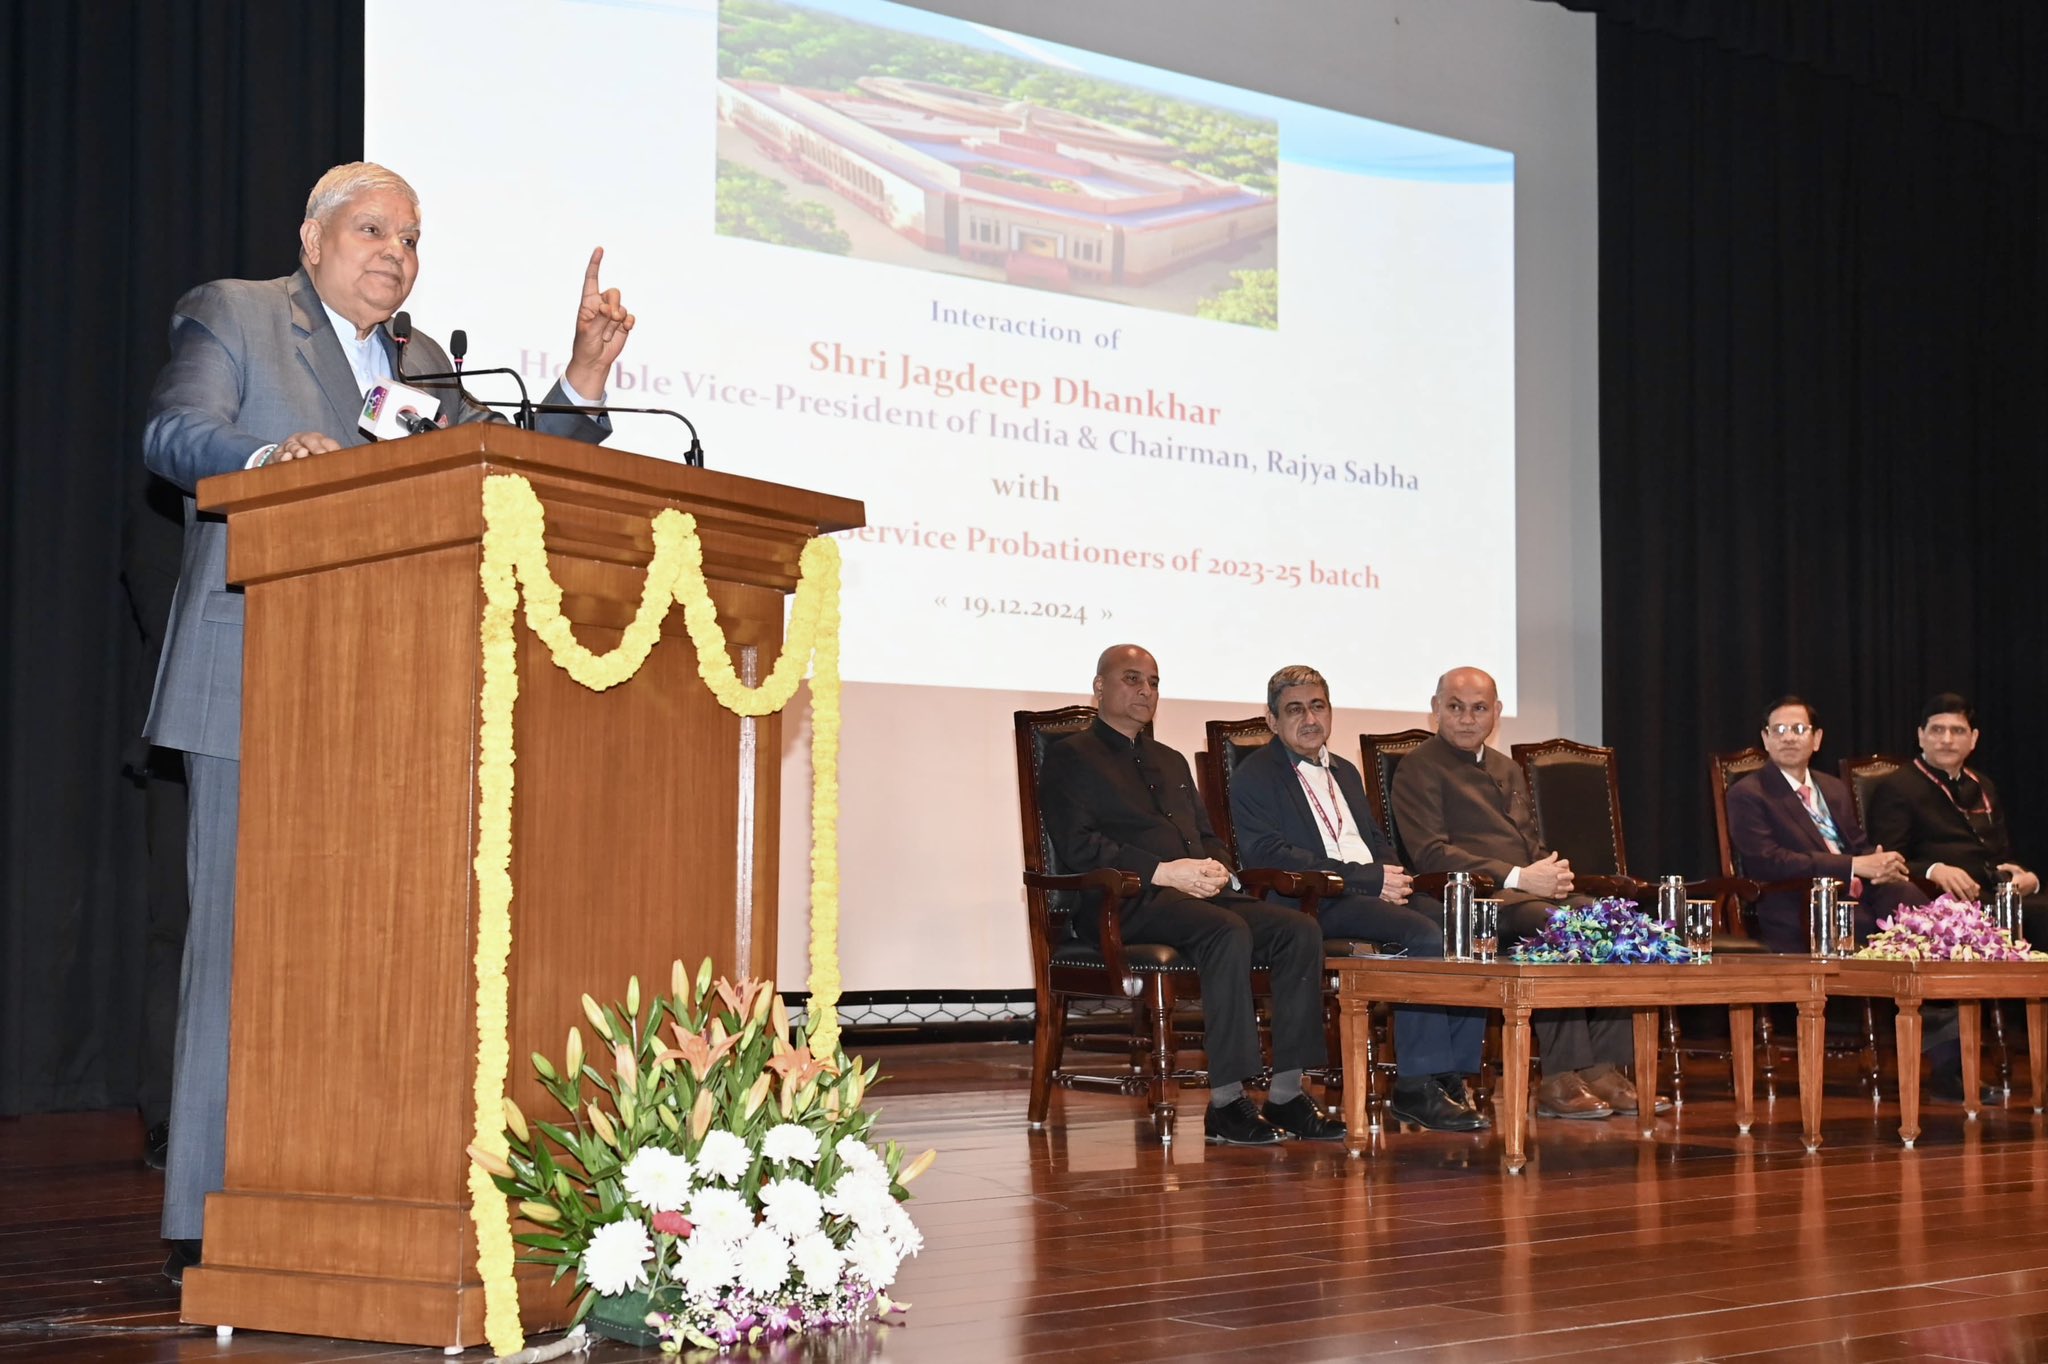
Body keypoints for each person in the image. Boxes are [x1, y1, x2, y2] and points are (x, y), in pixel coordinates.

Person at [142, 161, 634, 1283]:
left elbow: (511, 467)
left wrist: (582, 377)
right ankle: (206, 1212)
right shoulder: (239, 313)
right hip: (251, 675)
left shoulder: (418, 363)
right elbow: (175, 437)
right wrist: (271, 459)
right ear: (313, 239)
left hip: (393, 698)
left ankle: (342, 1180)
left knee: (373, 952)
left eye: (411, 240)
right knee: (239, 951)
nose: (394, 255)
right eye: (373, 230)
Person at [1038, 645, 1344, 1146]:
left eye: (1153, 682)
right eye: (1132, 679)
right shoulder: (1071, 757)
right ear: (1099, 687)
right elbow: (1079, 846)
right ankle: (1226, 1104)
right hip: (1124, 903)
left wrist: (1216, 869)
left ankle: (1288, 1093)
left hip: (1193, 897)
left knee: (1297, 929)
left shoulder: (1169, 759)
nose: (1145, 690)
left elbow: (1207, 836)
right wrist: (1164, 872)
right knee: (1227, 930)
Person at [1229, 665, 1487, 1132]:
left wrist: (1393, 877)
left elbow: (1375, 840)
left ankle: (1449, 1073)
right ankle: (1414, 1086)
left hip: (1368, 891)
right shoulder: (1255, 775)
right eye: (1294, 710)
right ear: (1271, 720)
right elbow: (1268, 853)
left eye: (1317, 706)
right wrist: (1367, 880)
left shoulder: (1344, 770)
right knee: (1423, 934)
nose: (1309, 718)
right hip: (1311, 901)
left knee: (1461, 924)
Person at [1390, 666, 1649, 1121]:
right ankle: (1560, 1076)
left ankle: (1603, 1067)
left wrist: (1553, 872)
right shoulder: (1419, 767)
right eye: (1455, 708)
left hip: (1525, 893)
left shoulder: (1504, 767)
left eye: (1479, 709)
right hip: (1474, 901)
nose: (1467, 719)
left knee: (1614, 923)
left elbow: (1529, 844)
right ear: (1435, 710)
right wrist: (1518, 877)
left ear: (1497, 713)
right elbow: (1430, 853)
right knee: (1563, 928)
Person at [1725, 695, 1923, 951]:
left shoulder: (1833, 788)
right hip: (1803, 903)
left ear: (1816, 739)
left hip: (1857, 894)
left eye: (1798, 729)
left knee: (1917, 909)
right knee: (1876, 927)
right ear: (1766, 739)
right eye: (1779, 730)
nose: (1788, 738)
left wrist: (1880, 863)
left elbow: (1857, 845)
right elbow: (1767, 861)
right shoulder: (1749, 794)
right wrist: (1852, 866)